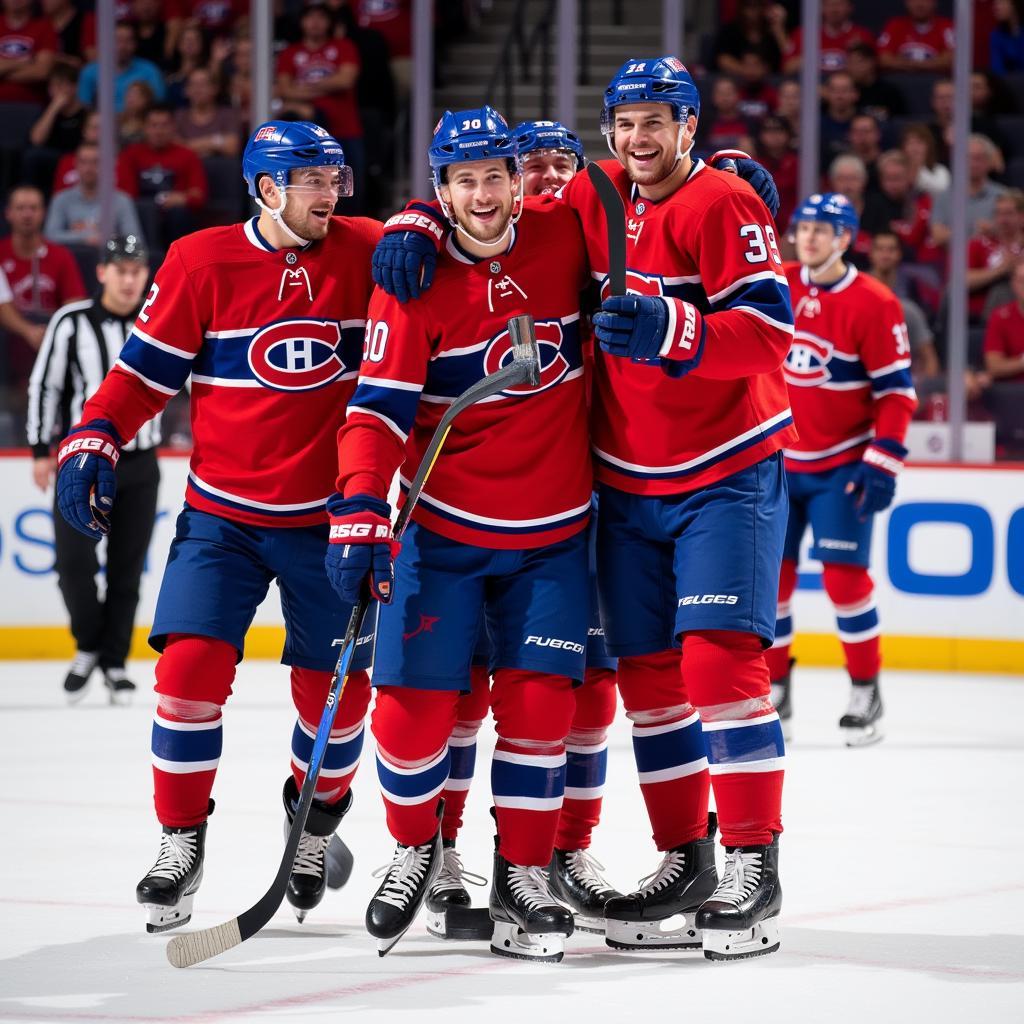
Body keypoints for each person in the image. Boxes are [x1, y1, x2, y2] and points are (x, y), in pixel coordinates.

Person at [370, 57, 795, 963]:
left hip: (724, 468)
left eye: (659, 121)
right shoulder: (593, 199)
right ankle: (687, 858)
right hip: (625, 481)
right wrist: (412, 215)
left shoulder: (721, 202)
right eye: (625, 120)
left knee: (719, 665)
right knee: (645, 678)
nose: (639, 138)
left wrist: (678, 331)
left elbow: (771, 328)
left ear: (688, 126)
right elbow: (488, 210)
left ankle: (755, 864)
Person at [53, 121, 380, 935]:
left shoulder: (370, 248)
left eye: (335, 177)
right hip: (224, 517)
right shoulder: (201, 260)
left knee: (338, 704)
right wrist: (95, 431)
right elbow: (142, 376)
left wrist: (416, 234)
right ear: (267, 189)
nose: (331, 193)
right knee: (189, 675)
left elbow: (469, 238)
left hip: (333, 522)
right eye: (313, 179)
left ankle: (313, 827)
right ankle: (179, 844)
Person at [333, 106, 593, 963]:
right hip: (442, 529)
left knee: (539, 714)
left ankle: (521, 875)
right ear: (440, 189)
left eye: (496, 175)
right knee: (408, 718)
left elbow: (645, 186)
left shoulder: (566, 233)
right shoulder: (411, 281)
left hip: (554, 534)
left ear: (520, 181)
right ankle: (416, 849)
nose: (482, 195)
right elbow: (373, 409)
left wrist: (732, 167)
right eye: (461, 180)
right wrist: (361, 504)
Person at [417, 118, 623, 942]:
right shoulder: (493, 234)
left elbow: (657, 191)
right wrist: (414, 218)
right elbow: (458, 205)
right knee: (464, 690)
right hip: (498, 507)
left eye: (556, 167)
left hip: (601, 501)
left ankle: (562, 852)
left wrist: (724, 164)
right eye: (526, 166)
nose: (539, 180)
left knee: (586, 695)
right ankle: (443, 850)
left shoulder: (591, 240)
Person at [771, 193, 917, 746]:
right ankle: (777, 686)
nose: (808, 237)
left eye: (822, 229)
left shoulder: (875, 302)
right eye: (803, 226)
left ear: (845, 239)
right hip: (778, 463)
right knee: (773, 584)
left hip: (842, 467)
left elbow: (897, 394)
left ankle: (865, 688)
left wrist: (884, 459)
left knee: (844, 581)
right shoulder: (777, 282)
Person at [26, 236, 158, 704]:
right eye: (121, 270)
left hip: (142, 463)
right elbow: (47, 387)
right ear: (101, 272)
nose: (130, 279)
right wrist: (41, 449)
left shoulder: (157, 320)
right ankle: (88, 645)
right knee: (74, 563)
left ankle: (116, 662)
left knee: (126, 568)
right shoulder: (71, 321)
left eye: (138, 271)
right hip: (82, 460)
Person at [116, 104, 208, 248]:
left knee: (179, 213)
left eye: (164, 125)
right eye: (153, 125)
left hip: (175, 219)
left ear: (173, 127)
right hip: (141, 217)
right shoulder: (130, 155)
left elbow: (199, 195)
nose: (159, 131)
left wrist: (183, 198)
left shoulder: (187, 155)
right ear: (144, 128)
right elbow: (125, 196)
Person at [44, 143, 144, 247]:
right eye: (83, 162)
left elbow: (134, 240)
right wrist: (85, 238)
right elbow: (50, 236)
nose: (89, 168)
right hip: (72, 260)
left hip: (111, 259)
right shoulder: (61, 199)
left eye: (95, 162)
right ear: (75, 164)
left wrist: (107, 240)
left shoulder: (122, 200)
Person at [78, 22, 165, 112]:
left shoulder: (150, 70)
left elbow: (157, 107)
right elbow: (85, 107)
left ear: (135, 44)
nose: (123, 46)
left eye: (128, 40)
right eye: (118, 40)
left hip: (139, 123)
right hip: (103, 123)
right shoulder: (89, 71)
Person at [782, 0, 873, 75]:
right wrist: (811, 59)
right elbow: (787, 67)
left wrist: (856, 57)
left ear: (850, 7)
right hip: (812, 87)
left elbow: (872, 71)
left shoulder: (862, 35)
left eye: (839, 4)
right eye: (829, 5)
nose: (834, 9)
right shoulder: (804, 34)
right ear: (821, 8)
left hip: (848, 90)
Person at [0, 0, 57, 105]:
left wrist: (3, 70)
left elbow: (42, 72)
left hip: (30, 104)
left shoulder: (45, 27)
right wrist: (22, 62)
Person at [878, 0, 954, 73]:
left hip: (936, 81)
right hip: (899, 82)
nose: (919, 4)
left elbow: (951, 59)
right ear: (907, 2)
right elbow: (883, 59)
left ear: (935, 2)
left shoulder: (946, 26)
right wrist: (929, 64)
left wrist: (911, 64)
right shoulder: (895, 25)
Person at [984, 260, 1024, 382]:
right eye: (1022, 281)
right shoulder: (1000, 317)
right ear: (1013, 284)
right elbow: (994, 366)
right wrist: (1022, 363)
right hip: (1013, 391)